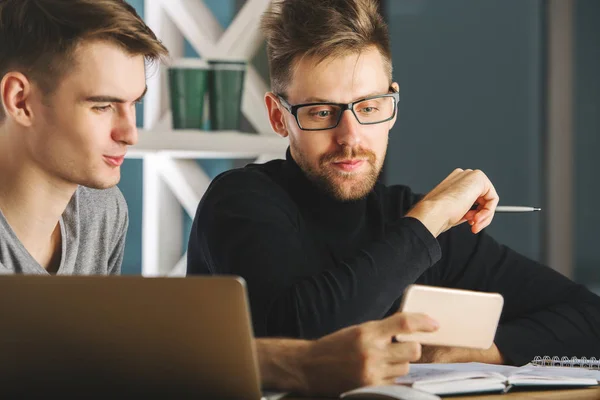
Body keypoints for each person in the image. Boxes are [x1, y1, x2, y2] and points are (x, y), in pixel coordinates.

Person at [0, 0, 436, 396]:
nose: (129, 133)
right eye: (101, 106)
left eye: (134, 104)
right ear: (20, 100)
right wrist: (291, 362)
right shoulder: (240, 198)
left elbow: (88, 367)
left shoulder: (101, 210)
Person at [188, 0, 600, 369]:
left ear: (393, 106)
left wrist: (481, 351)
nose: (350, 137)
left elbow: (589, 318)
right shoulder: (239, 202)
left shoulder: (408, 218)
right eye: (320, 112)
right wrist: (427, 221)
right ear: (279, 117)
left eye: (369, 107)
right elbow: (303, 341)